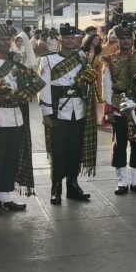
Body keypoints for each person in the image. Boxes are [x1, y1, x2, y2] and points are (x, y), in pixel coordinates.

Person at [0, 23, 34, 216]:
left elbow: (22, 84)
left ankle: (5, 196)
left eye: (7, 39)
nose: (6, 43)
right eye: (2, 40)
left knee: (11, 158)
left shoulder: (15, 60)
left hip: (16, 115)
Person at [38, 24, 96, 205]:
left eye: (74, 37)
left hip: (78, 109)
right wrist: (46, 112)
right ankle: (56, 188)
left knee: (75, 148)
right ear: (60, 40)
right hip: (58, 110)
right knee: (58, 150)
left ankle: (73, 185)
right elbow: (43, 86)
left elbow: (87, 82)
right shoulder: (48, 60)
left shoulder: (82, 57)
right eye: (68, 38)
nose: (72, 41)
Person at [103, 23, 136, 195]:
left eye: (128, 38)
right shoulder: (110, 59)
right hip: (119, 105)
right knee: (120, 143)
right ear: (117, 40)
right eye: (122, 38)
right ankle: (122, 181)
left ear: (133, 38)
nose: (125, 41)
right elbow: (107, 85)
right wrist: (108, 109)